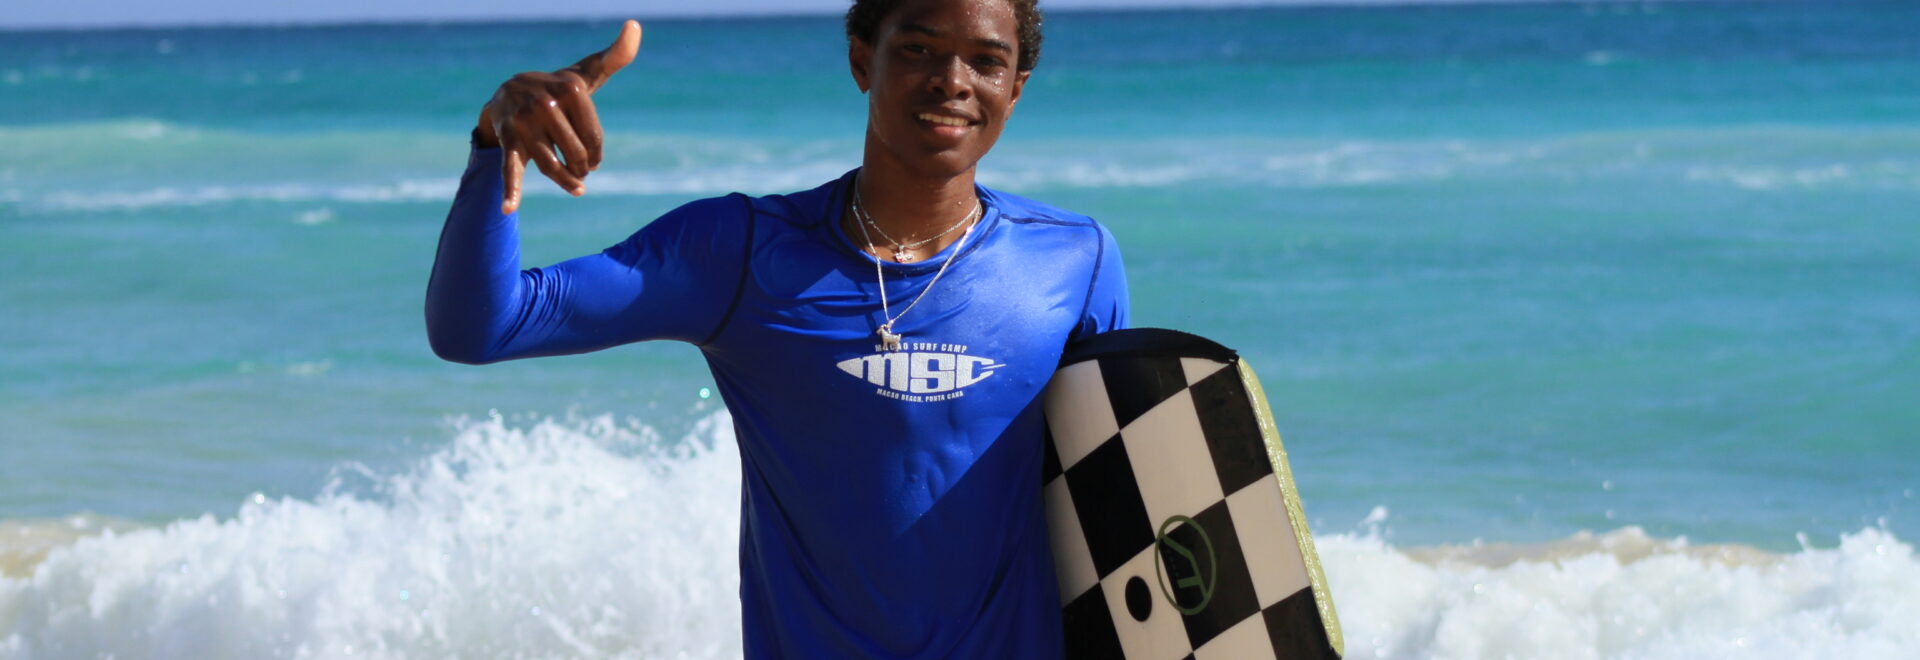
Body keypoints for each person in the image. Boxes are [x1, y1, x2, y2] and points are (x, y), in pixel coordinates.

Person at [425, 0, 1128, 656]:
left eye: (987, 61)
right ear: (862, 60)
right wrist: (494, 145)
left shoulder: (1076, 261)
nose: (953, 80)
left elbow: (1120, 496)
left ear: (1016, 88)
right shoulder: (741, 253)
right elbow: (480, 327)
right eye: (919, 48)